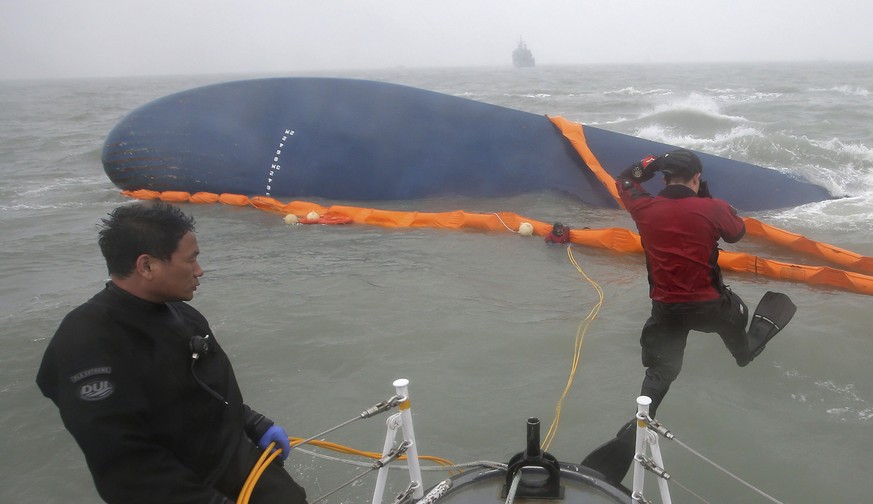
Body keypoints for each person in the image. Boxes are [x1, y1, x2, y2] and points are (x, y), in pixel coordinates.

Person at [36, 202, 308, 504]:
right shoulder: (86, 345)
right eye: (191, 260)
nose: (199, 270)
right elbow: (127, 467)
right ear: (147, 266)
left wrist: (255, 424)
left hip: (243, 468)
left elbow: (210, 394)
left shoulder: (184, 316)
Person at [580, 149, 795, 484]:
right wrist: (706, 199)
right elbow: (735, 233)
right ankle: (743, 353)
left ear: (663, 179)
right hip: (712, 308)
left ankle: (643, 416)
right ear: (697, 178)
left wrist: (652, 161)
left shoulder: (643, 207)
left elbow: (625, 178)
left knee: (662, 370)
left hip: (666, 310)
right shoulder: (714, 208)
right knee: (737, 319)